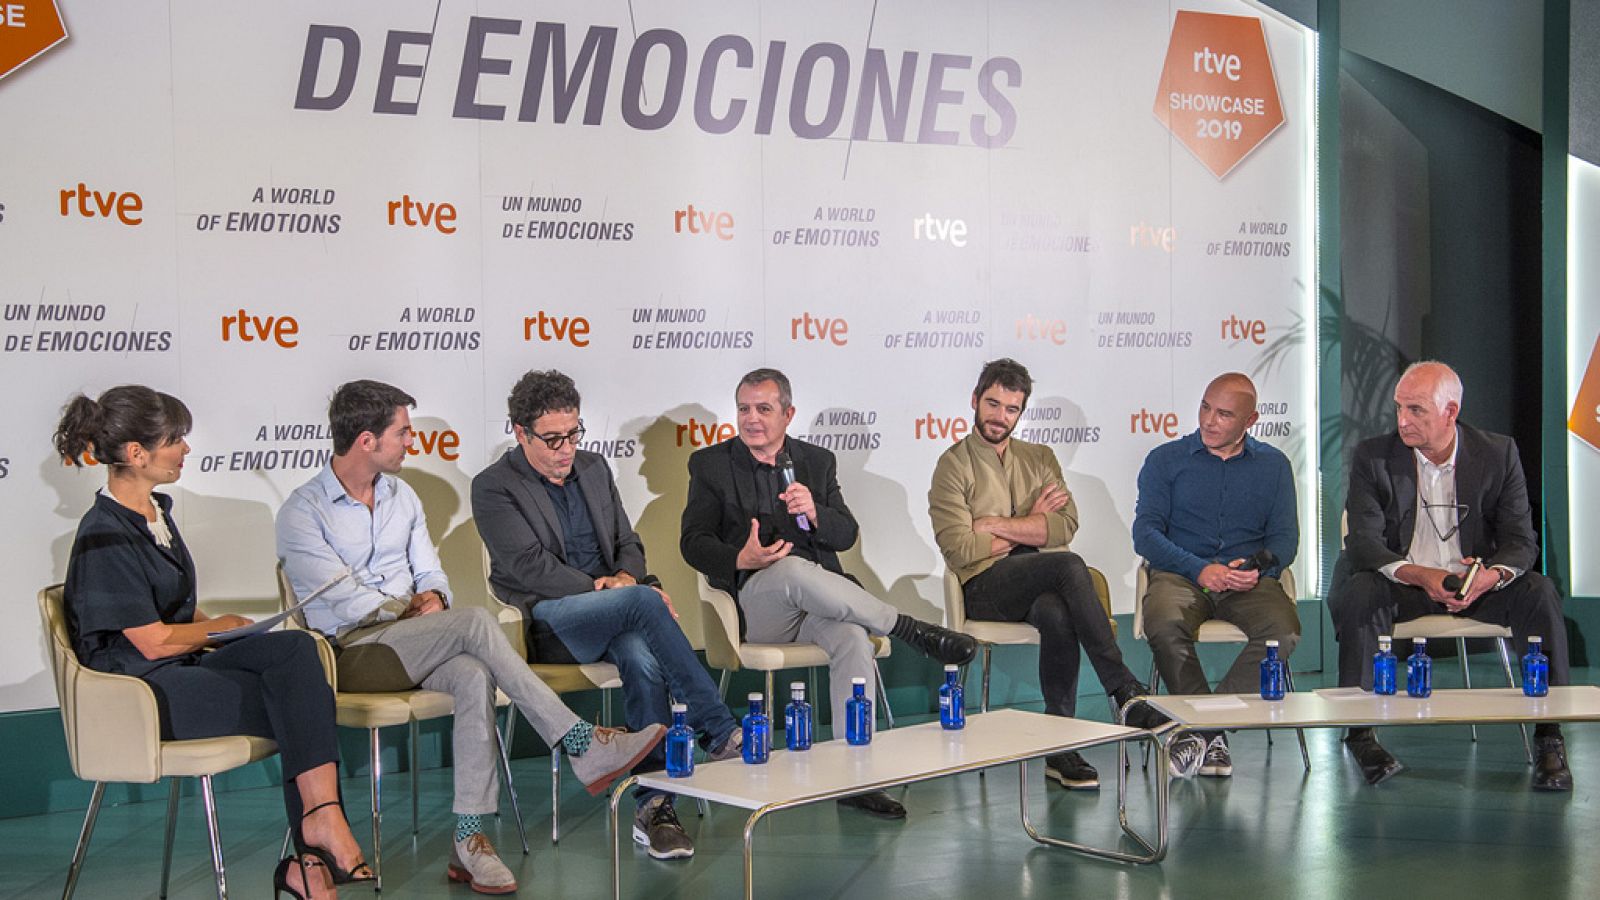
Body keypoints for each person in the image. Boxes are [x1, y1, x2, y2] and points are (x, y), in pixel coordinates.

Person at [276, 380, 664, 895]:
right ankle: (577, 740)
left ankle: (470, 838)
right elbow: (339, 602)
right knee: (476, 622)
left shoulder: (403, 495)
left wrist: (432, 596)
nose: (411, 443)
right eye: (403, 433)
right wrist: (409, 608)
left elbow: (430, 572)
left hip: (416, 638)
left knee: (473, 672)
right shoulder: (302, 511)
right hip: (350, 652)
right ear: (367, 441)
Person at [56, 385, 368, 900]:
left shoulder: (156, 514)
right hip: (137, 694)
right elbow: (152, 643)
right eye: (175, 439)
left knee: (297, 651)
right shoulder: (102, 534)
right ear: (137, 453)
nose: (186, 450)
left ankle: (316, 837)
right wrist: (217, 626)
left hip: (179, 666)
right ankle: (316, 847)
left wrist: (231, 629)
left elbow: (173, 610)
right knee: (296, 703)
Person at [681, 368, 978, 820]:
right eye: (744, 409)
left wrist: (815, 512)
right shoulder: (711, 465)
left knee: (853, 640)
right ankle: (907, 628)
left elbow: (846, 535)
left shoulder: (816, 462)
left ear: (788, 413)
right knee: (794, 568)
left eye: (764, 409)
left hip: (817, 602)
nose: (752, 419)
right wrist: (741, 557)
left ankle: (853, 777)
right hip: (758, 603)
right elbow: (693, 542)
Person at [473, 369, 744, 862]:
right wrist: (611, 588)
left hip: (620, 613)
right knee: (642, 601)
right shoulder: (494, 487)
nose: (565, 449)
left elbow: (628, 542)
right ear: (519, 431)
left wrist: (623, 576)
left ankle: (656, 808)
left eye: (573, 434)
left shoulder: (595, 469)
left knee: (641, 655)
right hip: (553, 622)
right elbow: (528, 567)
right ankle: (719, 729)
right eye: (552, 439)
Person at [929, 359, 1185, 790]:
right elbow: (959, 547)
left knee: (1057, 612)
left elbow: (1064, 526)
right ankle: (1124, 690)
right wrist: (1031, 523)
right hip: (983, 585)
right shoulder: (952, 466)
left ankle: (1058, 745)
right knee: (1068, 563)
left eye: (1011, 409)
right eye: (992, 404)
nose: (1000, 417)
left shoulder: (1040, 457)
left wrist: (994, 524)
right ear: (975, 401)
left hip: (1036, 581)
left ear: (1021, 412)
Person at [1329, 361, 1572, 790]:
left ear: (1450, 411)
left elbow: (1521, 540)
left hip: (1474, 584)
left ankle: (1550, 738)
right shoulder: (1374, 456)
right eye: (1399, 408)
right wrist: (1420, 574)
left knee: (1540, 592)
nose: (1402, 420)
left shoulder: (1498, 453)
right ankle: (1360, 732)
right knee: (1360, 589)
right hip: (1405, 582)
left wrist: (1491, 576)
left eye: (1416, 410)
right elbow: (1363, 541)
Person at [1132, 372, 1300, 778]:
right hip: (1181, 573)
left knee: (1284, 632)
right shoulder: (1165, 460)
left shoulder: (1274, 466)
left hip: (1247, 581)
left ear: (1250, 420)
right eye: (1205, 407)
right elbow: (1145, 534)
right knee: (1164, 622)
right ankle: (1211, 737)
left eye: (1223, 414)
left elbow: (1285, 539)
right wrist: (1199, 569)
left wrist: (1258, 567)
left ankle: (1202, 730)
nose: (1208, 420)